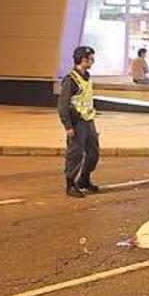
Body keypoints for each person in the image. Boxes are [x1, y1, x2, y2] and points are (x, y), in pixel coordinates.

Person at [57, 46, 100, 198]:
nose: (93, 61)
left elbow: (86, 100)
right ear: (83, 60)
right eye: (91, 59)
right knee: (75, 155)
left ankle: (84, 179)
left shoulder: (86, 77)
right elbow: (63, 105)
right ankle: (70, 185)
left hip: (88, 121)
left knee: (93, 153)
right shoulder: (71, 80)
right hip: (77, 123)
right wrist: (68, 126)